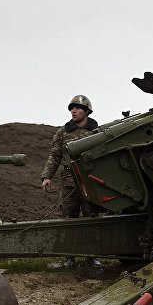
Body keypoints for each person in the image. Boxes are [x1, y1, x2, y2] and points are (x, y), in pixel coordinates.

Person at [41, 94, 102, 267]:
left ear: (87, 111)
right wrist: (47, 176)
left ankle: (92, 256)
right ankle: (70, 258)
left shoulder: (96, 132)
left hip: (91, 181)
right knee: (69, 219)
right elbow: (55, 155)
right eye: (71, 108)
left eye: (78, 108)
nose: (73, 111)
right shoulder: (62, 132)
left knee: (91, 217)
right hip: (69, 181)